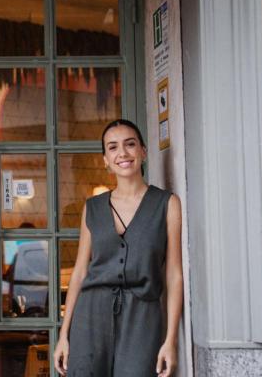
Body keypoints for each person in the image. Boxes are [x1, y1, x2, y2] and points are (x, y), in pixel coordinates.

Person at [53, 119, 183, 377]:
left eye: (130, 144)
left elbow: (174, 274)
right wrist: (63, 336)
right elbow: (80, 272)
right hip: (91, 317)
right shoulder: (93, 208)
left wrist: (171, 340)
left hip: (143, 317)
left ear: (143, 152)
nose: (122, 153)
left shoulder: (167, 204)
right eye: (112, 147)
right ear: (105, 159)